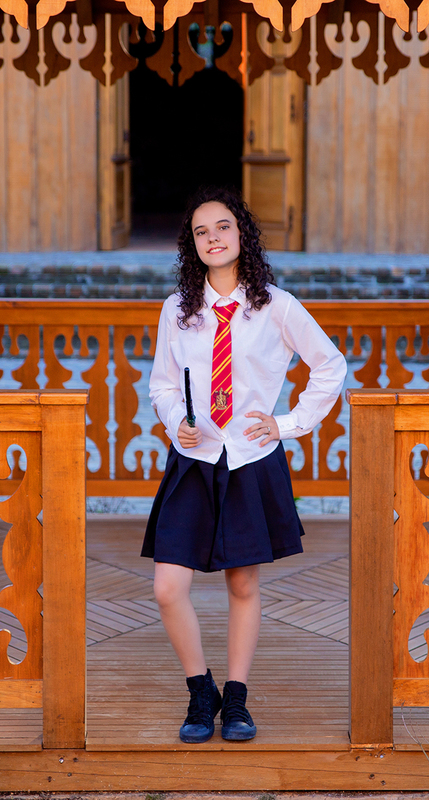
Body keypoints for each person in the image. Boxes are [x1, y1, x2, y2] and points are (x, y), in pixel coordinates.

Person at [143, 186, 347, 743]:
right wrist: (172, 419)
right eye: (202, 231)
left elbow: (330, 365)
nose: (213, 237)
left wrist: (288, 423)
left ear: (242, 235)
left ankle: (234, 700)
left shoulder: (275, 306)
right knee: (167, 586)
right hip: (194, 458)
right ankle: (198, 691)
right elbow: (162, 383)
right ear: (193, 245)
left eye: (223, 227)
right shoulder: (177, 311)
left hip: (250, 457)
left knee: (242, 584)